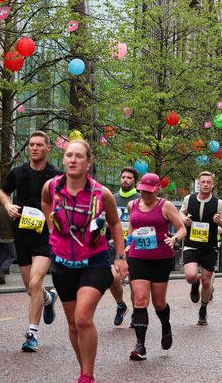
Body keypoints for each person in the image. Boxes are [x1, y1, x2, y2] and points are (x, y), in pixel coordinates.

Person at [41, 139, 128, 383]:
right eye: (69, 155)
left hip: (94, 261)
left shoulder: (102, 193)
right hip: (62, 262)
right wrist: (51, 229)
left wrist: (120, 256)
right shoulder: (51, 187)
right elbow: (46, 204)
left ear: (88, 163)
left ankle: (87, 377)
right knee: (72, 324)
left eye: (79, 156)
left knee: (82, 318)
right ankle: (84, 370)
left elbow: (115, 223)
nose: (72, 160)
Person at [0, 130, 62, 352]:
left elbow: (65, 199)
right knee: (30, 288)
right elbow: (3, 192)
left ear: (48, 149)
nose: (34, 148)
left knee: (35, 283)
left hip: (46, 235)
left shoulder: (56, 176)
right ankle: (48, 298)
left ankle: (31, 334)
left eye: (38, 145)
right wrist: (8, 205)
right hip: (23, 233)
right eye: (31, 144)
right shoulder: (18, 172)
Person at [127, 172, 186, 360]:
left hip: (161, 257)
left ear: (157, 189)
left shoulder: (165, 206)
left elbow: (182, 227)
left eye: (149, 191)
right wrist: (129, 242)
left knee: (158, 303)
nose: (145, 194)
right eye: (142, 190)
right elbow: (132, 226)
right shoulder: (133, 205)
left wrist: (175, 238)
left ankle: (165, 326)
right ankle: (140, 345)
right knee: (140, 300)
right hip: (138, 257)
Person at [180, 171, 222, 326]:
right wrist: (184, 219)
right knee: (190, 275)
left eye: (209, 182)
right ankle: (194, 284)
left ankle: (203, 309)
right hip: (191, 244)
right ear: (198, 184)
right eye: (203, 182)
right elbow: (180, 213)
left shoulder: (218, 203)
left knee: (207, 282)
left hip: (209, 246)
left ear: (212, 185)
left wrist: (219, 221)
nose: (206, 184)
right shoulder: (189, 198)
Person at [108, 167, 140, 326]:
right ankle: (121, 305)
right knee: (112, 278)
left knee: (134, 284)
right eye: (123, 177)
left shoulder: (140, 199)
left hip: (135, 246)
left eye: (129, 177)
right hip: (114, 245)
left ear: (135, 181)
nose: (125, 180)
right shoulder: (111, 199)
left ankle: (136, 314)